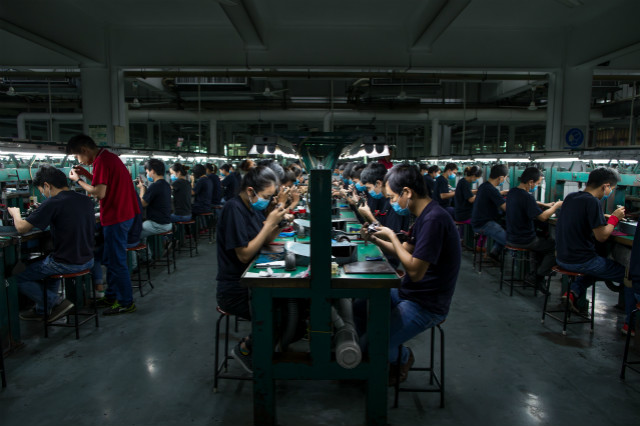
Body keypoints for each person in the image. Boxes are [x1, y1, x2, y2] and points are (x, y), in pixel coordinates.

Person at [358, 164, 460, 385]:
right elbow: (404, 251)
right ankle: (376, 349)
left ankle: (402, 357)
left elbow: (414, 271)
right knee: (359, 303)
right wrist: (375, 238)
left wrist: (391, 236)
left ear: (407, 192)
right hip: (409, 292)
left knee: (374, 344)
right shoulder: (423, 216)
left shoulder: (434, 219)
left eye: (393, 198)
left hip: (427, 303)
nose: (392, 203)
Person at [216, 166, 287, 373]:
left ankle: (264, 351)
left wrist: (279, 222)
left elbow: (265, 240)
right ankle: (246, 349)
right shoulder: (233, 209)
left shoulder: (251, 208)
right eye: (266, 196)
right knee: (281, 315)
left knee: (293, 309)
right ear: (250, 191)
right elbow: (245, 255)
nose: (267, 200)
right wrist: (268, 224)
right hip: (235, 289)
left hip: (253, 281)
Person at [10, 165, 95, 322]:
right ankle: (42, 310)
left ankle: (55, 303)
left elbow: (22, 228)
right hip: (88, 259)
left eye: (41, 190)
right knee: (48, 263)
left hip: (67, 263)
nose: (43, 194)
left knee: (17, 276)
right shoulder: (85, 199)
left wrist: (15, 214)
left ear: (47, 185)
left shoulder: (53, 202)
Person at [66, 134, 139, 315]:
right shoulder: (108, 158)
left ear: (84, 150)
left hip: (117, 218)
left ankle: (126, 302)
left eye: (77, 156)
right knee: (111, 260)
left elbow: (99, 193)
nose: (79, 160)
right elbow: (106, 183)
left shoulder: (102, 161)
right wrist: (86, 174)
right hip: (123, 215)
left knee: (117, 262)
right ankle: (111, 297)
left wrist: (78, 180)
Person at [555, 167, 631, 332]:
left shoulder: (571, 197)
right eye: (612, 188)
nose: (610, 192)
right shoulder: (593, 202)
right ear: (605, 186)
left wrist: (604, 218)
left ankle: (572, 292)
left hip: (562, 258)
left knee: (599, 267)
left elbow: (583, 218)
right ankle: (630, 324)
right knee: (631, 277)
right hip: (581, 261)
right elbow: (602, 236)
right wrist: (614, 218)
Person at [505, 167, 562, 292]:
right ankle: (538, 276)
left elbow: (527, 203)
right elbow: (542, 217)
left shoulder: (513, 192)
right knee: (555, 247)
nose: (537, 186)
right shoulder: (527, 197)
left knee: (542, 242)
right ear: (531, 182)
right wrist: (555, 206)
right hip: (524, 240)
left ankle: (534, 273)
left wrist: (544, 205)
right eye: (537, 183)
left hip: (510, 237)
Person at [471, 164, 509, 262]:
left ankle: (494, 254)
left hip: (479, 221)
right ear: (501, 178)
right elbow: (506, 208)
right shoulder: (491, 189)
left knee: (505, 227)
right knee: (511, 241)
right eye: (505, 178)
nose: (504, 180)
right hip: (484, 224)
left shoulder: (484, 186)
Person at [137, 159, 172, 239]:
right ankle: (146, 247)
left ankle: (141, 246)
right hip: (166, 222)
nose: (147, 174)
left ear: (152, 171)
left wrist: (142, 189)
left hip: (157, 225)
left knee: (134, 233)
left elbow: (142, 204)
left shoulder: (155, 186)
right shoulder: (166, 184)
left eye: (147, 172)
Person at [191, 164, 213, 234]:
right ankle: (203, 227)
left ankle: (193, 232)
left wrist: (192, 181)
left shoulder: (201, 180)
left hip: (201, 207)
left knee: (188, 211)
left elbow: (193, 192)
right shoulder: (208, 180)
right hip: (207, 206)